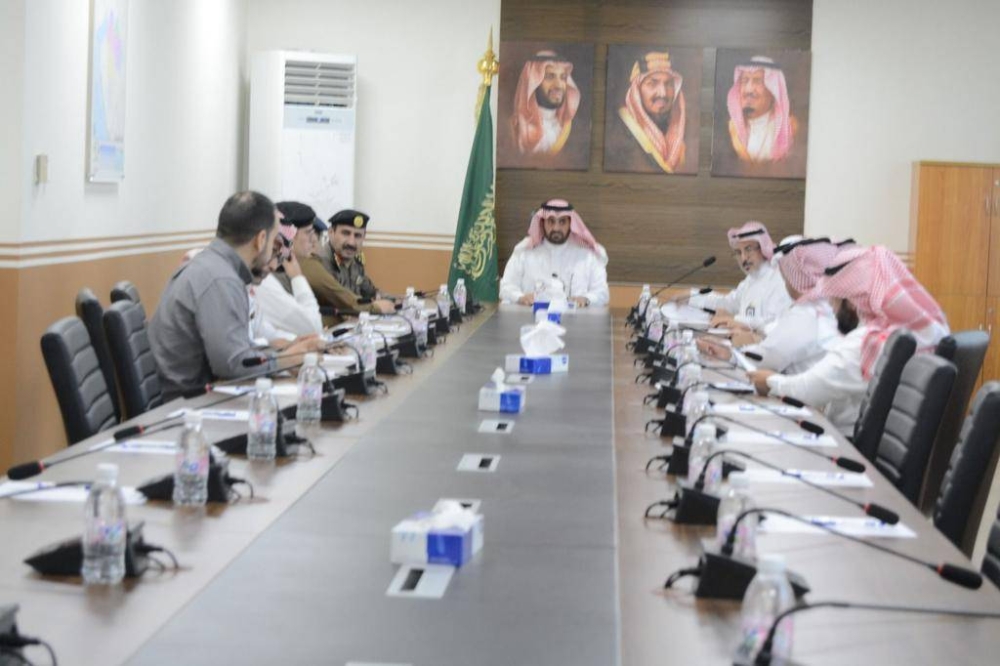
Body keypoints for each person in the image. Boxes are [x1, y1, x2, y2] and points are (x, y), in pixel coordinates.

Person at [747, 245, 950, 435]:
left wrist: (768, 381)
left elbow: (805, 390)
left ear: (852, 301)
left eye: (834, 297)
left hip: (845, 439)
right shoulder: (917, 335)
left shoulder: (869, 342)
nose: (831, 306)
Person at [148, 191, 325, 401]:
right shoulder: (221, 279)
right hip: (185, 404)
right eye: (272, 244)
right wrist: (288, 360)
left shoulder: (214, 266)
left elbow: (237, 351)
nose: (273, 255)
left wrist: (285, 352)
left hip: (194, 395)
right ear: (261, 240)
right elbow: (232, 365)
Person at [698, 237, 839, 374]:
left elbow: (767, 358)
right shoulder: (818, 306)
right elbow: (776, 328)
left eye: (784, 276)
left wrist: (730, 353)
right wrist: (748, 332)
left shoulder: (807, 313)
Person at [499, 199, 609, 307]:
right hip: (530, 316)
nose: (556, 228)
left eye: (562, 222)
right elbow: (506, 287)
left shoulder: (588, 255)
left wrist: (587, 299)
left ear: (571, 224)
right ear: (542, 222)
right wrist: (520, 297)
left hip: (576, 317)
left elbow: (602, 293)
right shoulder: (524, 251)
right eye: (551, 221)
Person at [689, 221, 792, 331]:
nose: (743, 258)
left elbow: (774, 325)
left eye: (748, 249)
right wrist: (690, 295)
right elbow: (728, 303)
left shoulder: (779, 279)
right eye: (738, 252)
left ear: (763, 248)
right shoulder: (749, 281)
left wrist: (734, 319)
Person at [252, 201, 324, 336]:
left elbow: (269, 333)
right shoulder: (263, 276)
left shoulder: (290, 268)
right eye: (308, 233)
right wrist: (298, 278)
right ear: (289, 237)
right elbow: (313, 327)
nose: (314, 239)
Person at [612, 51, 687, 173]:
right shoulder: (619, 133)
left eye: (668, 84)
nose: (663, 93)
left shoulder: (681, 140)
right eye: (652, 84)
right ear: (636, 91)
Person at [726, 56, 798, 164]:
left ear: (773, 89)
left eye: (757, 81)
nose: (749, 89)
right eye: (744, 81)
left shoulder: (790, 126)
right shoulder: (733, 127)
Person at [511, 50, 581, 155]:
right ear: (533, 82)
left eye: (563, 78)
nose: (558, 85)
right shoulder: (515, 127)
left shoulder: (567, 127)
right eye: (549, 77)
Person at [316, 209, 380, 300]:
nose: (351, 242)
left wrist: (395, 300)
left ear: (364, 237)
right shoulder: (320, 262)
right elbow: (338, 301)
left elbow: (371, 292)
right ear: (331, 233)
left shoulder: (356, 263)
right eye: (345, 233)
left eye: (357, 236)